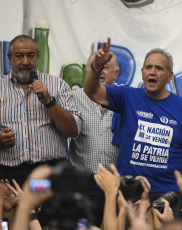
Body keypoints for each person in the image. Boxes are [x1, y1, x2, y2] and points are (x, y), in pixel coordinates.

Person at [84, 38, 182, 218]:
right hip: (130, 194)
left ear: (170, 76)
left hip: (169, 196)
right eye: (148, 67)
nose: (152, 72)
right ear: (142, 72)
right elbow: (92, 91)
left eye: (159, 68)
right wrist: (96, 68)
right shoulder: (127, 96)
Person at [0, 35, 82, 187]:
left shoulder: (57, 86)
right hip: (7, 178)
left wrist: (49, 101)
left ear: (38, 57)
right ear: (9, 58)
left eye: (30, 56)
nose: (25, 61)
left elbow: (73, 131)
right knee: (12, 212)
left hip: (48, 176)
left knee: (47, 212)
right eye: (19, 56)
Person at [68, 52, 120, 226]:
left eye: (104, 67)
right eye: (94, 67)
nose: (99, 71)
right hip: (82, 184)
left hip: (115, 184)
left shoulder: (126, 99)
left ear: (116, 73)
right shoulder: (74, 98)